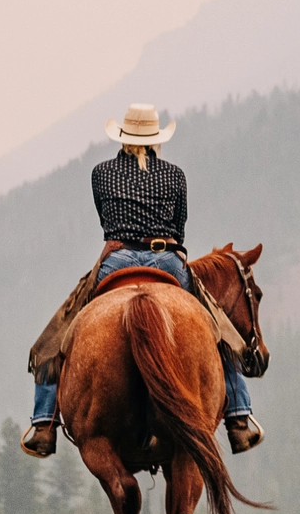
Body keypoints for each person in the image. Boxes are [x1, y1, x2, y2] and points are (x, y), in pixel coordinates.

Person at [22, 103, 263, 459]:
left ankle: (43, 424)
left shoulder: (101, 173)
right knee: (221, 332)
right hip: (167, 261)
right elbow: (179, 228)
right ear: (155, 139)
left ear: (122, 136)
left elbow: (106, 219)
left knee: (56, 336)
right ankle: (239, 418)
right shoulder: (175, 175)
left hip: (116, 258)